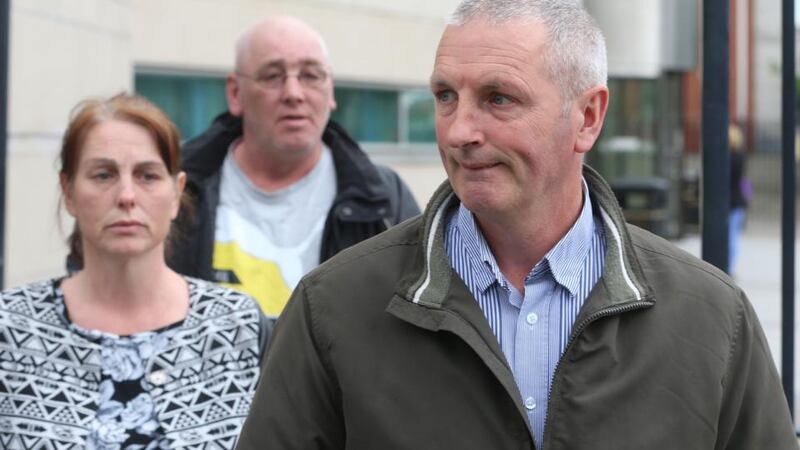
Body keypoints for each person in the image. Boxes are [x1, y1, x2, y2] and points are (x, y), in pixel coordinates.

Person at [234, 1, 797, 449]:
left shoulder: (711, 318)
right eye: (445, 96)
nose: (459, 131)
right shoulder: (332, 307)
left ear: (588, 117)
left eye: (498, 98)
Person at [0, 94, 270, 449]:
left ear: (176, 192)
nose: (126, 196)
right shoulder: (11, 327)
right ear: (68, 192)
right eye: (103, 175)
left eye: (147, 175)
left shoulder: (237, 326)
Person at [168, 16, 420, 317]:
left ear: (331, 90)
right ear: (235, 93)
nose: (293, 93)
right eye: (272, 76)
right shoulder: (175, 189)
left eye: (311, 76)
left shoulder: (384, 199)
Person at [728, 123, 750, 276]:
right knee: (733, 236)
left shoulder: (731, 158)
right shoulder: (740, 157)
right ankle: (729, 266)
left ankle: (728, 267)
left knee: (730, 236)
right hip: (737, 202)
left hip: (731, 202)